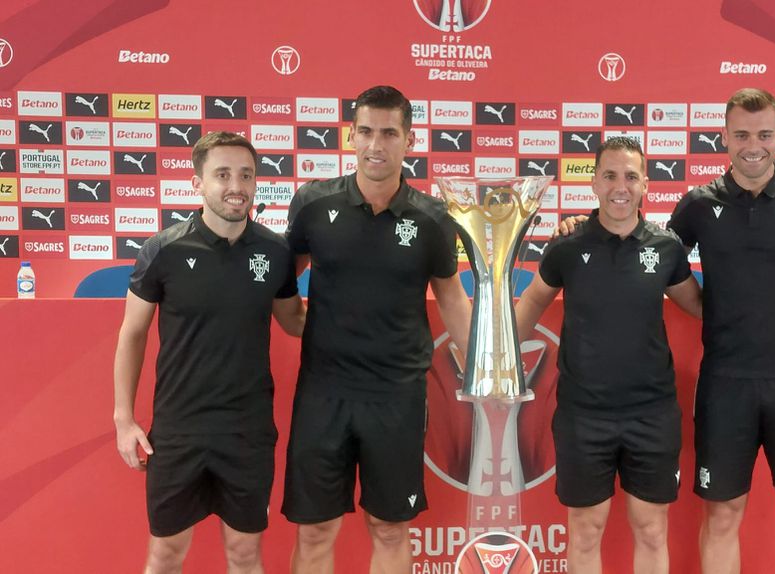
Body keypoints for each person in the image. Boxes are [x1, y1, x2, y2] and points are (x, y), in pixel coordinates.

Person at [560, 88, 775, 573]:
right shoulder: (698, 205)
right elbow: (643, 249)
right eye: (741, 134)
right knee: (722, 516)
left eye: (763, 134)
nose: (752, 145)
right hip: (725, 384)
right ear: (724, 137)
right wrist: (584, 226)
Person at [282, 85, 471, 573]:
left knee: (389, 527)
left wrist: (483, 374)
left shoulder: (432, 218)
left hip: (396, 396)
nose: (375, 144)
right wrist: (301, 324)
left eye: (389, 133)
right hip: (323, 393)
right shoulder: (312, 203)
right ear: (350, 136)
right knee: (316, 528)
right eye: (366, 131)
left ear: (409, 141)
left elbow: (451, 298)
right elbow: (281, 284)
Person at [113, 131, 305, 574]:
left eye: (246, 175)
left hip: (248, 432)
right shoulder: (162, 250)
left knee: (244, 555)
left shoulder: (274, 252)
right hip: (179, 432)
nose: (236, 186)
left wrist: (361, 319)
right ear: (197, 182)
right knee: (165, 556)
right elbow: (132, 334)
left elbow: (293, 320)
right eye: (222, 174)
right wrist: (124, 419)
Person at [516, 136, 702, 573]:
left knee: (652, 528)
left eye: (631, 177)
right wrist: (499, 365)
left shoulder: (666, 248)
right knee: (585, 530)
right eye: (611, 176)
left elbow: (698, 306)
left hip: (652, 413)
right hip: (584, 415)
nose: (621, 186)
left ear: (645, 186)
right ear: (594, 184)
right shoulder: (566, 245)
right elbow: (532, 302)